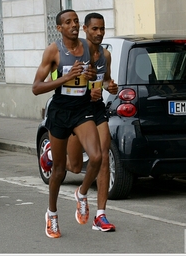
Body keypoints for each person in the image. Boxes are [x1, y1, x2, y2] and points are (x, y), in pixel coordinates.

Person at [40, 13, 119, 232]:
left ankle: (98, 213)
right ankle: (52, 209)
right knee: (72, 167)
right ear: (86, 29)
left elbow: (100, 80)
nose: (99, 33)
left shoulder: (102, 54)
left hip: (91, 109)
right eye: (94, 29)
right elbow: (41, 84)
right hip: (65, 108)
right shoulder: (60, 50)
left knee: (100, 156)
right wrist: (69, 79)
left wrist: (106, 86)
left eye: (102, 29)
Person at [32, 9, 102, 238]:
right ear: (59, 28)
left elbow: (91, 76)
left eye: (75, 21)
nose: (73, 24)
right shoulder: (53, 51)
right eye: (68, 22)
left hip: (81, 109)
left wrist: (91, 79)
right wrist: (65, 77)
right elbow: (36, 87)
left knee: (97, 157)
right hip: (60, 111)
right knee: (59, 171)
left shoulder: (88, 46)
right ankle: (51, 214)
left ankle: (81, 194)